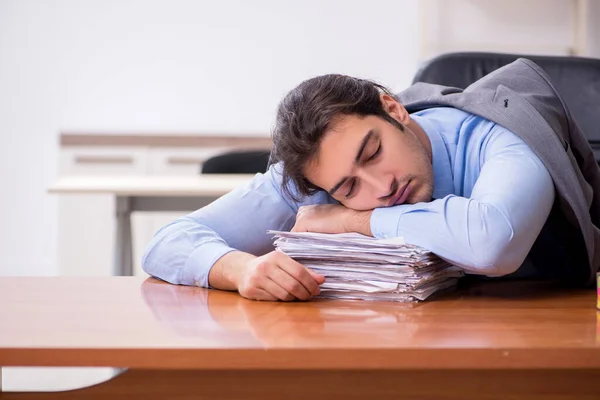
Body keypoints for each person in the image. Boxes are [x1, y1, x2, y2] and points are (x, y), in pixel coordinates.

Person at [142, 58, 600, 302]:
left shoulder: (502, 129)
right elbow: (169, 241)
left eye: (373, 152)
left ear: (392, 108)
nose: (378, 188)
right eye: (348, 189)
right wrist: (240, 268)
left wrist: (350, 220)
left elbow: (492, 241)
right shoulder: (320, 171)